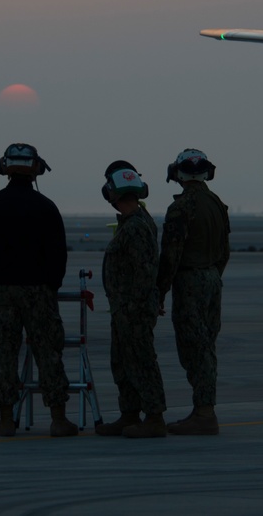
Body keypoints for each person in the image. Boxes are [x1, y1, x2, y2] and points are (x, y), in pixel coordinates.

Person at [0, 143, 77, 438]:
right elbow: (58, 255)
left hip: (1, 290)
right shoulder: (46, 207)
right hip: (38, 290)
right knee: (49, 354)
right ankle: (58, 418)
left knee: (4, 355)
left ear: (4, 167)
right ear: (36, 168)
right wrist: (50, 286)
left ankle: (5, 420)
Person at [157, 148, 230, 436]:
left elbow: (171, 255)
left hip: (190, 282)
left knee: (194, 349)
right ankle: (203, 409)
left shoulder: (181, 208)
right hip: (213, 278)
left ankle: (204, 413)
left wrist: (160, 290)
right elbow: (224, 251)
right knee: (207, 347)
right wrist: (212, 276)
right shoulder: (217, 204)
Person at [95, 161, 167, 438]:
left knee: (141, 361)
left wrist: (136, 307)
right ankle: (129, 413)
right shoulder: (135, 221)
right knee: (123, 362)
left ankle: (154, 417)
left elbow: (144, 272)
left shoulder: (136, 226)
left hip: (132, 309)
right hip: (124, 308)